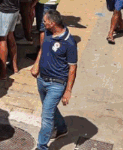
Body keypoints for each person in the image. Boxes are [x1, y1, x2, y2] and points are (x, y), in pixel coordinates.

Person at [31, 9, 77, 150]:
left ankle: (41, 147)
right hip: (42, 79)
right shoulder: (47, 32)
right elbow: (42, 49)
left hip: (57, 84)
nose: (43, 23)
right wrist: (36, 65)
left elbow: (72, 68)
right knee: (49, 107)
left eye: (45, 21)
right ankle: (62, 128)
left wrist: (68, 91)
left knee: (46, 116)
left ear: (52, 23)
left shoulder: (69, 43)